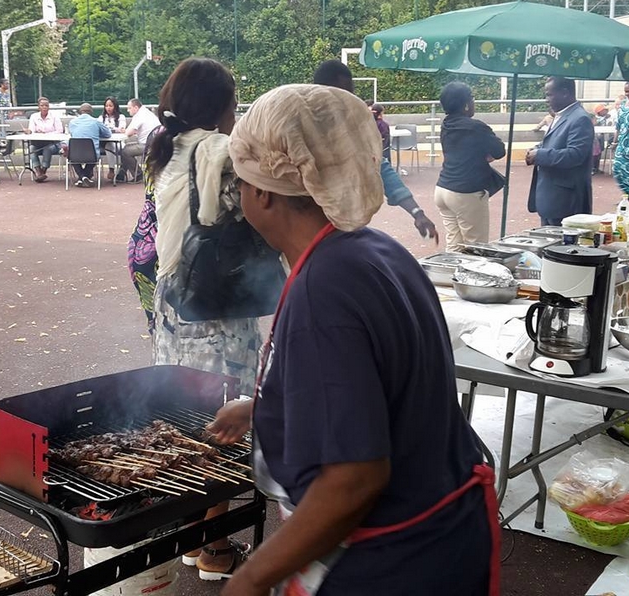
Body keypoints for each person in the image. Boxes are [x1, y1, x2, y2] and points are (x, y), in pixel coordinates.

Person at [210, 83, 497, 596]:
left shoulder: (325, 290)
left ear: (264, 192)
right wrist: (265, 406)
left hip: (393, 565)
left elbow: (354, 480)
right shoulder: (375, 250)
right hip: (445, 539)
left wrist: (251, 579)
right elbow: (380, 386)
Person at [144, 57, 260, 581]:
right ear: (221, 104)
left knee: (190, 416)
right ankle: (213, 547)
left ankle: (193, 536)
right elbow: (254, 211)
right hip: (216, 308)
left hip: (174, 306)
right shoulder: (220, 151)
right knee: (224, 422)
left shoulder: (167, 147)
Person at [312, 60, 438, 243]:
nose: (347, 100)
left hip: (345, 223)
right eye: (340, 94)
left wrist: (417, 212)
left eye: (350, 94)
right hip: (308, 225)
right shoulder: (300, 123)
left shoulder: (352, 125)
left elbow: (379, 167)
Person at [434, 82, 506, 249]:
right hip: (466, 192)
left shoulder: (446, 125)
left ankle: (449, 275)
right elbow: (499, 151)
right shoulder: (476, 127)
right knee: (476, 247)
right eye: (472, 98)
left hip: (443, 189)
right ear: (466, 104)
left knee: (454, 244)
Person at [526, 77, 594, 226]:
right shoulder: (562, 115)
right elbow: (551, 143)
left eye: (549, 94)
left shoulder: (580, 119)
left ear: (564, 93)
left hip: (566, 201)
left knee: (560, 246)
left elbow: (575, 155)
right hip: (553, 198)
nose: (546, 99)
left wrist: (540, 155)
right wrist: (536, 149)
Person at [63, 103, 111, 188]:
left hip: (75, 154)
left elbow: (72, 133)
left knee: (72, 157)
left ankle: (82, 177)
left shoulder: (72, 122)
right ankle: (85, 176)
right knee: (94, 155)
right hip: (92, 154)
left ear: (80, 112)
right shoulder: (96, 122)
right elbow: (108, 134)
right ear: (91, 112)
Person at [118, 98, 160, 182]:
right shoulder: (147, 113)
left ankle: (138, 174)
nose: (127, 110)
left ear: (136, 108)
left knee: (125, 151)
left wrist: (124, 131)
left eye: (129, 108)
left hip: (148, 145)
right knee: (126, 148)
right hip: (156, 142)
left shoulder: (139, 116)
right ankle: (121, 174)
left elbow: (129, 133)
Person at [27, 96, 64, 183]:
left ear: (49, 107)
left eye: (46, 105)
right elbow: (31, 130)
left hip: (53, 143)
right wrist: (29, 131)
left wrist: (47, 134)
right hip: (38, 143)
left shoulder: (55, 116)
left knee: (47, 148)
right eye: (42, 105)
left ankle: (44, 170)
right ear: (38, 107)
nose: (44, 107)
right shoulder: (34, 117)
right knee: (31, 149)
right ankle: (38, 171)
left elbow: (60, 131)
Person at [99, 96, 126, 181]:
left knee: (114, 147)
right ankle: (111, 169)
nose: (108, 108)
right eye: (106, 106)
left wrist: (110, 129)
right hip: (104, 143)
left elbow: (122, 129)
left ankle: (120, 170)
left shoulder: (121, 117)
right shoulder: (101, 118)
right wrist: (115, 129)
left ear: (115, 106)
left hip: (119, 142)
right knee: (109, 146)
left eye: (110, 106)